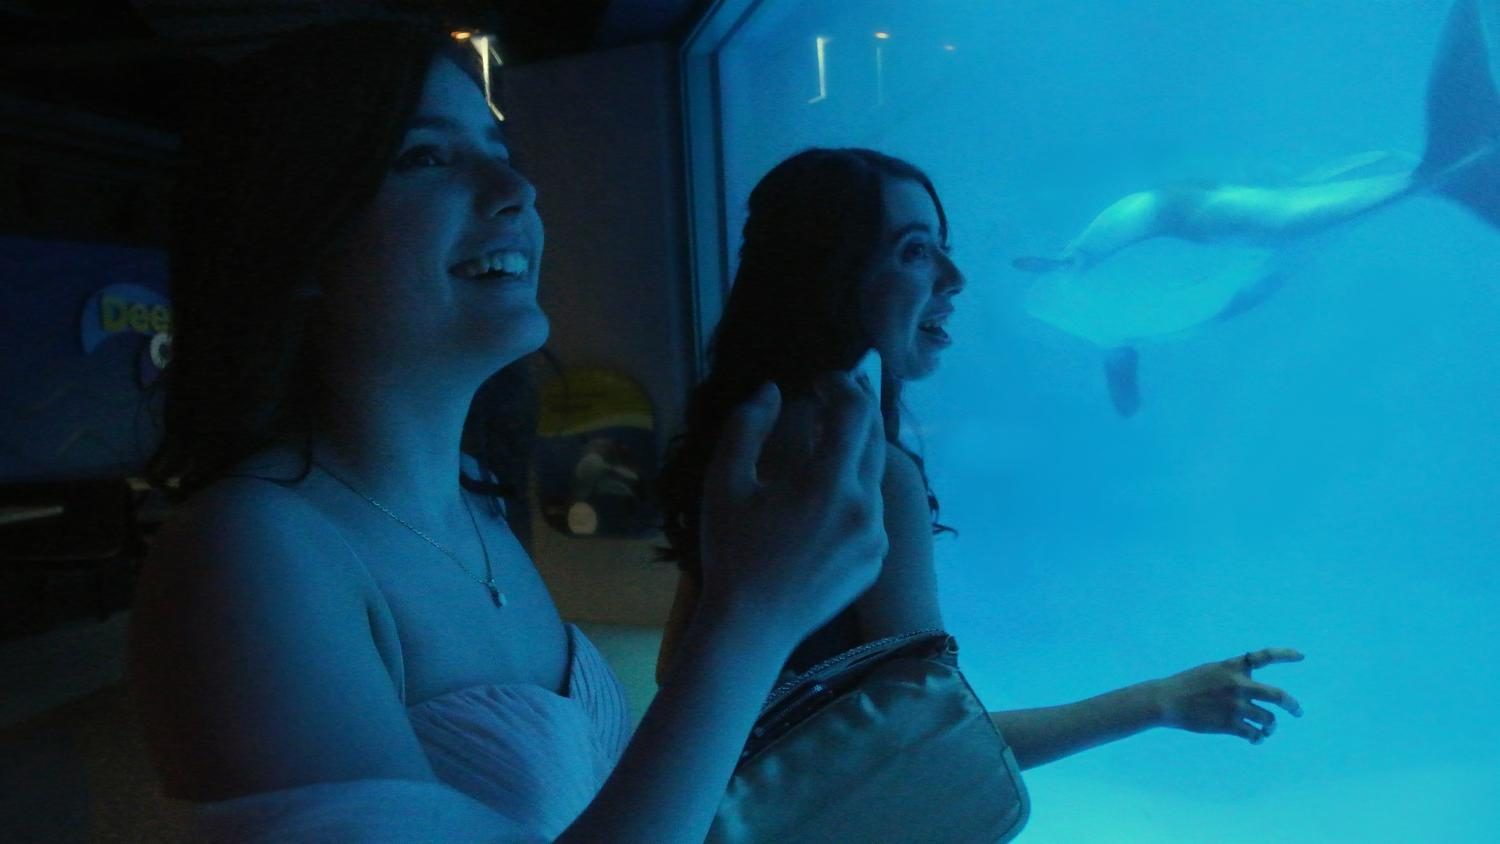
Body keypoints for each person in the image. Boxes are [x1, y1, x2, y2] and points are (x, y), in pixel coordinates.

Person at [128, 22, 890, 843]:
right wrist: (752, 619)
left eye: (500, 150)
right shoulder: (247, 549)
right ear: (293, 234)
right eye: (426, 157)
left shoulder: (476, 509)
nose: (515, 189)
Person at [657, 147, 1306, 773]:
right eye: (915, 252)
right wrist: (1162, 700)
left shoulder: (740, 441)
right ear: (829, 272)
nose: (954, 278)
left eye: (946, 248)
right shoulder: (868, 477)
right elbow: (938, 739)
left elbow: (678, 676)